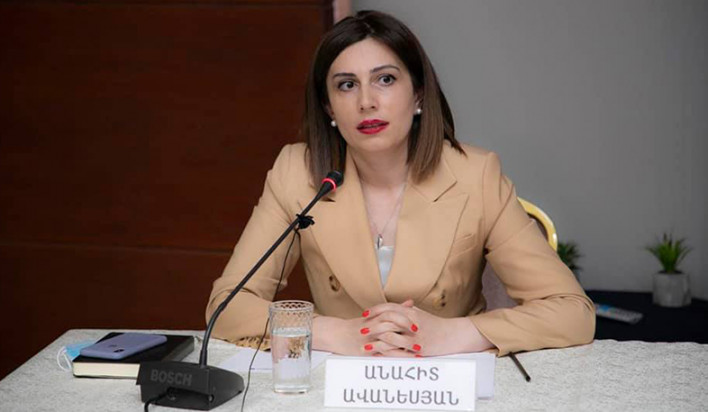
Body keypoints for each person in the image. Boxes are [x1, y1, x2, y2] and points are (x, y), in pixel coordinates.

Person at [206, 10, 594, 357]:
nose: (366, 102)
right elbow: (227, 307)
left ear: (418, 94)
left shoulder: (476, 175)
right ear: (328, 107)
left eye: (385, 79)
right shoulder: (297, 172)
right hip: (341, 385)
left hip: (447, 382)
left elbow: (572, 312)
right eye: (346, 85)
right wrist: (337, 333)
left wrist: (453, 334)